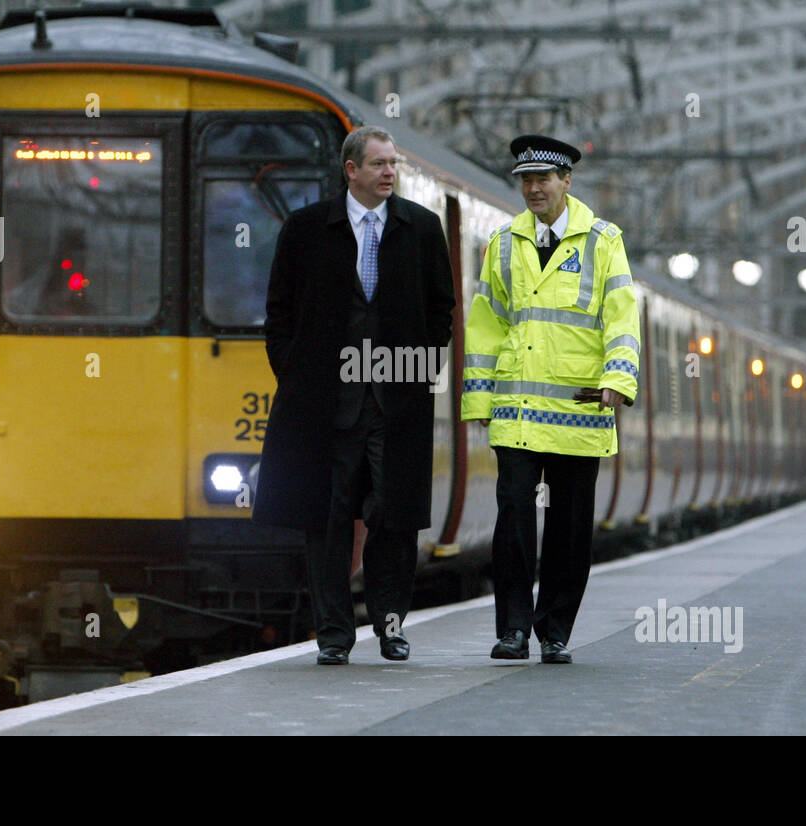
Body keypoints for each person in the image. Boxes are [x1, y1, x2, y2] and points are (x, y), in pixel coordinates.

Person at [253, 126, 455, 665]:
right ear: (352, 170)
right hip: (324, 409)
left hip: (397, 406)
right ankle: (334, 636)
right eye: (380, 164)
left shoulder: (421, 229)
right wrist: (295, 377)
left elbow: (442, 312)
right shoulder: (306, 230)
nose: (390, 172)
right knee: (327, 523)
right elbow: (279, 313)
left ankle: (391, 629)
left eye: (394, 164)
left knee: (393, 520)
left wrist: (418, 372)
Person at [461, 134, 641, 664]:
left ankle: (555, 629)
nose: (533, 188)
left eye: (543, 179)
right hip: (516, 410)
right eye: (525, 180)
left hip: (581, 408)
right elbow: (485, 325)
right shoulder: (502, 242)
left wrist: (619, 379)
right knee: (513, 518)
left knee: (569, 528)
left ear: (567, 181)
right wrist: (478, 400)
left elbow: (622, 318)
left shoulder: (604, 241)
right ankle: (513, 629)